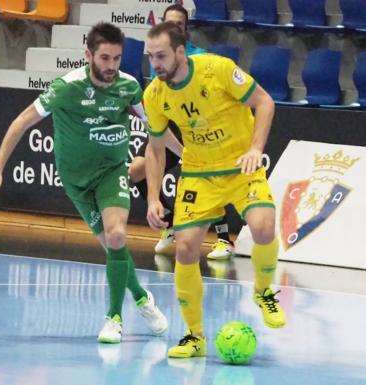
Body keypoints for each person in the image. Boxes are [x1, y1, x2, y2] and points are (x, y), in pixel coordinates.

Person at [0, 22, 168, 344]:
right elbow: (21, 122)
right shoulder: (66, 87)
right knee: (115, 249)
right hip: (76, 184)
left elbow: (156, 133)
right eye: (105, 58)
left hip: (111, 173)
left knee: (117, 235)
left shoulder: (128, 87)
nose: (111, 66)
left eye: (117, 58)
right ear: (88, 55)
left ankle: (114, 318)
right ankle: (141, 297)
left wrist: (189, 152)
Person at [143, 22, 286, 358]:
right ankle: (195, 336)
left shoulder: (218, 69)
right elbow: (155, 146)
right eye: (150, 57)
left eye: (161, 55)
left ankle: (263, 292)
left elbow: (264, 102)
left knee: (263, 227)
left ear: (180, 51)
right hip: (199, 174)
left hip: (241, 167)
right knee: (186, 249)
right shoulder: (155, 94)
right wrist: (152, 196)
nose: (155, 64)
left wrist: (255, 149)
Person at [134, 3, 236, 260]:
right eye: (169, 23)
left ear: (186, 29)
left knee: (205, 177)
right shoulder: (157, 57)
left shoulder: (198, 57)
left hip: (197, 128)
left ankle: (224, 239)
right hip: (169, 128)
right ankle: (168, 223)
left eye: (179, 24)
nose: (173, 27)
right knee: (136, 170)